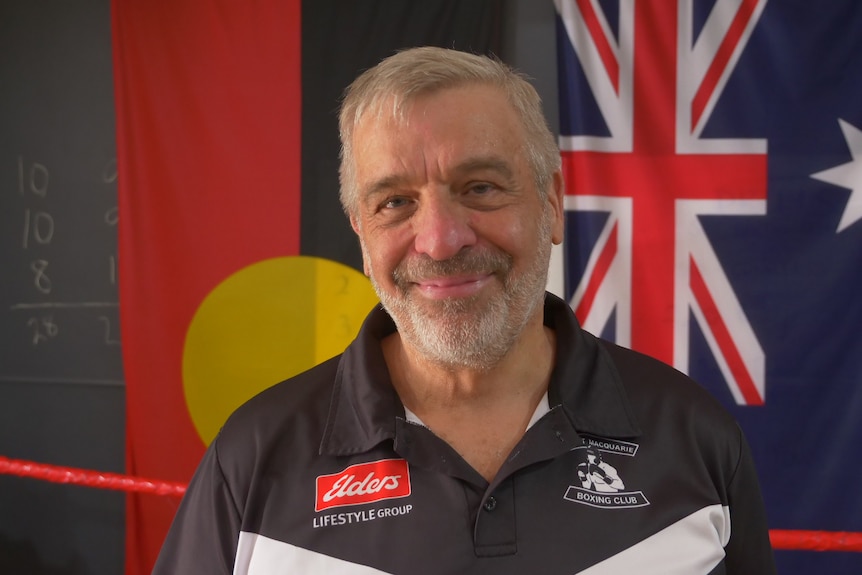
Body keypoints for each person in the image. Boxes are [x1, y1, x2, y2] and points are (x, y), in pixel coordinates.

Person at [153, 46, 776, 574]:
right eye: (395, 201)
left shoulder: (694, 438)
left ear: (552, 204)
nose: (441, 239)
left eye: (479, 187)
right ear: (362, 235)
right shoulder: (255, 458)